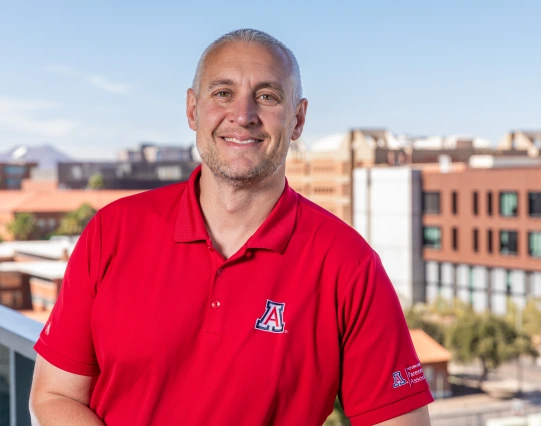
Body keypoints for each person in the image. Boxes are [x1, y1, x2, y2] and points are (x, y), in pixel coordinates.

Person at [29, 29, 433, 426]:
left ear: (298, 119)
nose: (243, 116)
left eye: (268, 97)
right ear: (192, 109)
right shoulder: (112, 232)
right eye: (223, 93)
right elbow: (54, 394)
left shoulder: (349, 264)